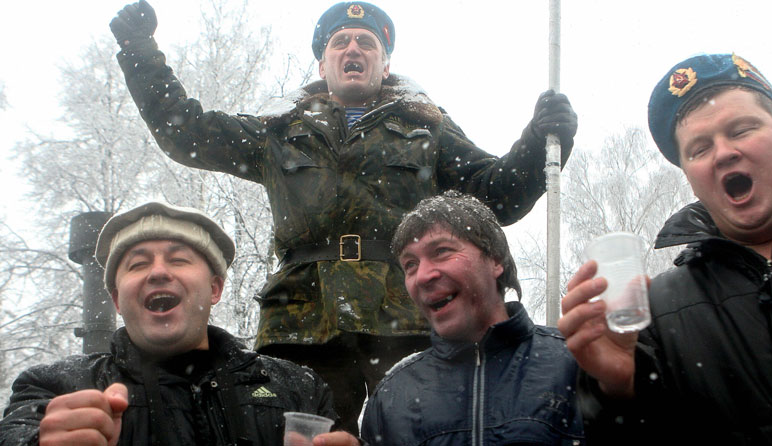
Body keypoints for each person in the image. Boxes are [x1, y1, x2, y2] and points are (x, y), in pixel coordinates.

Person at [110, 0, 578, 433]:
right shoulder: (279, 133)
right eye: (341, 43)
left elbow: (499, 196)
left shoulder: (425, 130)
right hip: (300, 323)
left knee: (421, 432)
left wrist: (539, 141)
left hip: (402, 319)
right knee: (303, 438)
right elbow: (185, 129)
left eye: (366, 43)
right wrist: (138, 50)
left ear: (385, 63)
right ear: (322, 64)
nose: (353, 49)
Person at [558, 53, 772, 445]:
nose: (723, 153)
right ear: (689, 176)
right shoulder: (656, 313)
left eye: (740, 130)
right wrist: (618, 391)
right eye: (700, 149)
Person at [0, 202, 358, 446]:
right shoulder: (53, 388)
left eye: (179, 259)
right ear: (116, 301)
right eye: (138, 264)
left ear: (215, 288)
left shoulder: (299, 388)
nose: (158, 271)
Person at [361, 191, 584, 445]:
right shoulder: (392, 395)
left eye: (442, 251)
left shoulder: (578, 362)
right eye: (410, 264)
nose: (422, 276)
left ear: (495, 259)